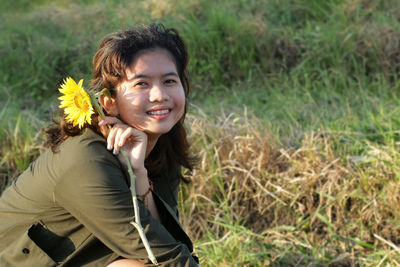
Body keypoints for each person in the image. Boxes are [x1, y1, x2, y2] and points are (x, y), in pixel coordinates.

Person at [0, 23, 200, 266]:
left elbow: (165, 240)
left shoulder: (159, 145)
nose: (160, 95)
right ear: (109, 102)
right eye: (141, 84)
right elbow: (159, 253)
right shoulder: (84, 159)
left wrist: (138, 173)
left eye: (169, 81)